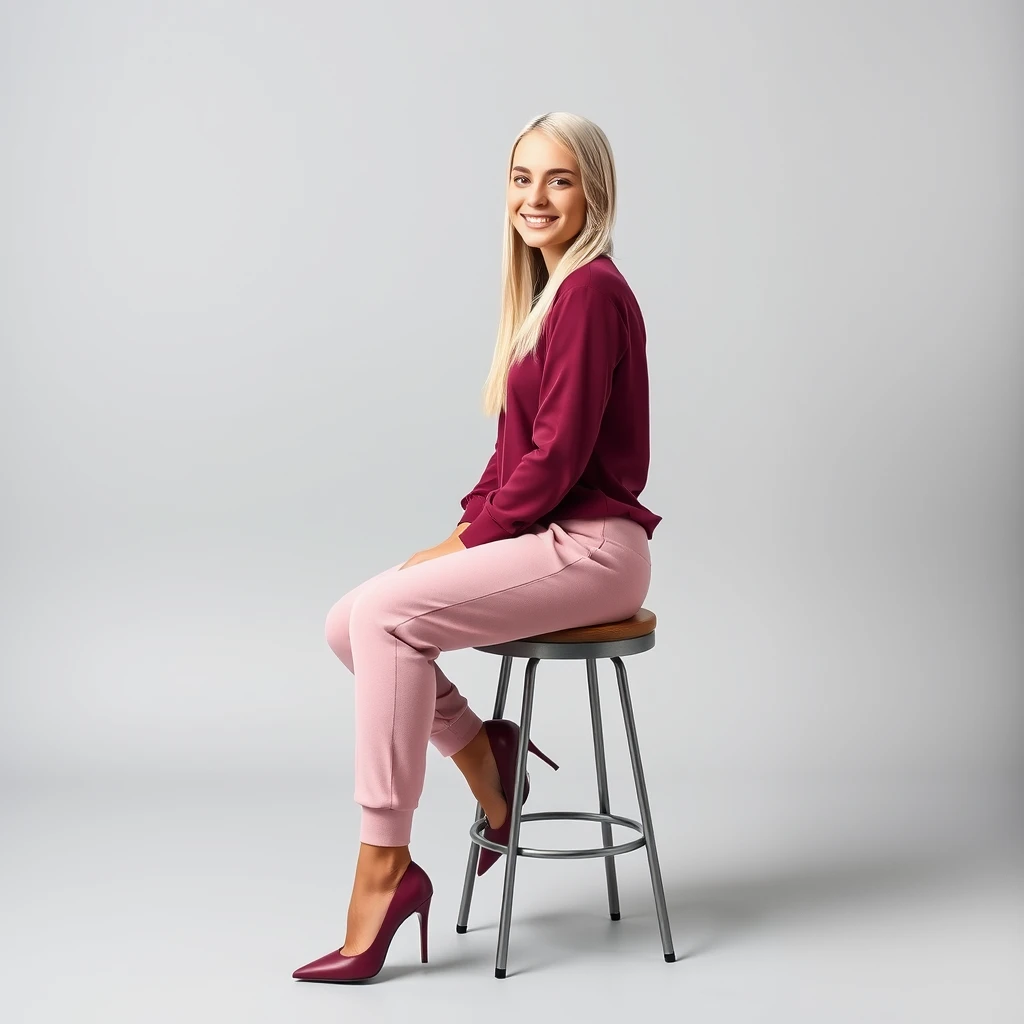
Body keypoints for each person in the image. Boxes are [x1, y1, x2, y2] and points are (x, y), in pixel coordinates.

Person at [292, 111, 662, 983]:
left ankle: (383, 868)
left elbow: (559, 458)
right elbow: (509, 459)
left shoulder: (593, 292)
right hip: (551, 537)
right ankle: (486, 761)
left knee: (387, 613)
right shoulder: (543, 300)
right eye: (522, 177)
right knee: (352, 621)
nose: (535, 197)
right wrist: (461, 531)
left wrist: (472, 540)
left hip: (596, 550)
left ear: (593, 194)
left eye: (559, 180)